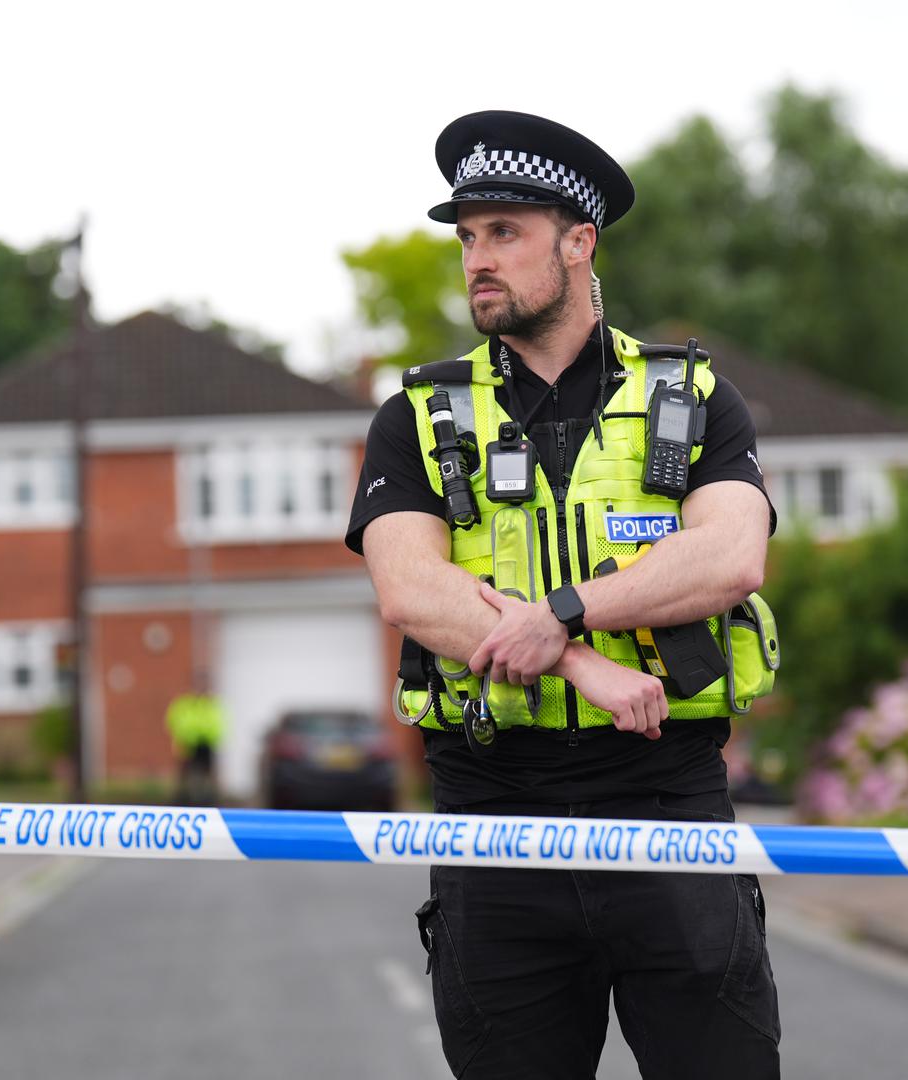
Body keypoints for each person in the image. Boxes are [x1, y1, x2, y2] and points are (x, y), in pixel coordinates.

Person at [345, 111, 781, 1079]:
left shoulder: (692, 397)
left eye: (505, 232)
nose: (476, 260)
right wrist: (574, 658)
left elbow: (731, 557)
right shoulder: (417, 417)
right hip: (495, 813)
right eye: (466, 237)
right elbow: (410, 590)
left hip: (665, 802)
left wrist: (566, 612)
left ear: (580, 243)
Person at [165, 682, 224, 806]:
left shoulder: (211, 705)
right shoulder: (186, 704)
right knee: (185, 774)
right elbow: (173, 720)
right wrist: (181, 737)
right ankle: (182, 800)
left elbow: (219, 724)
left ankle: (207, 801)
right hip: (189, 743)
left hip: (206, 744)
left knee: (206, 775)